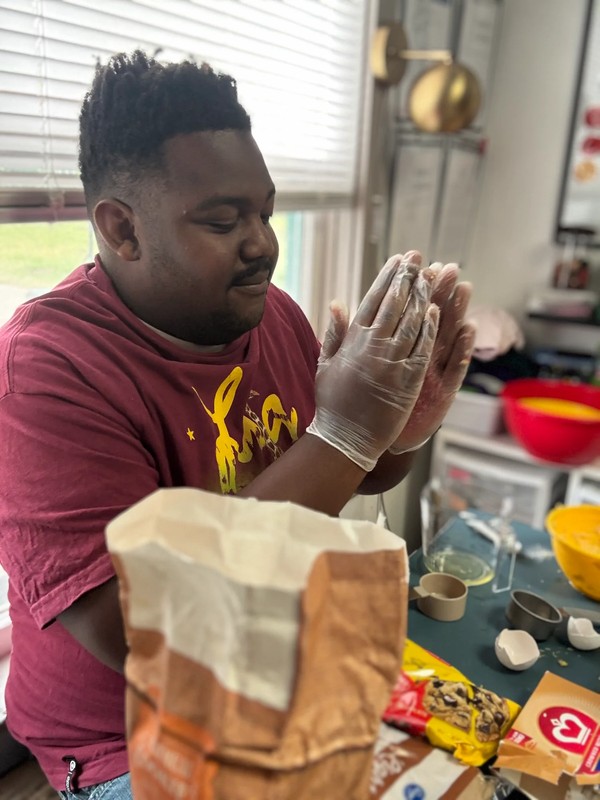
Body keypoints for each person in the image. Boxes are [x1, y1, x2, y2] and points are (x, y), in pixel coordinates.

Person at [0, 51, 474, 799]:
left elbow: (346, 473)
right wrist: (346, 429)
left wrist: (399, 424)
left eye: (265, 211)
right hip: (129, 735)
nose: (262, 243)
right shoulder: (49, 368)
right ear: (121, 228)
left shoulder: (267, 312)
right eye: (223, 220)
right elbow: (143, 632)